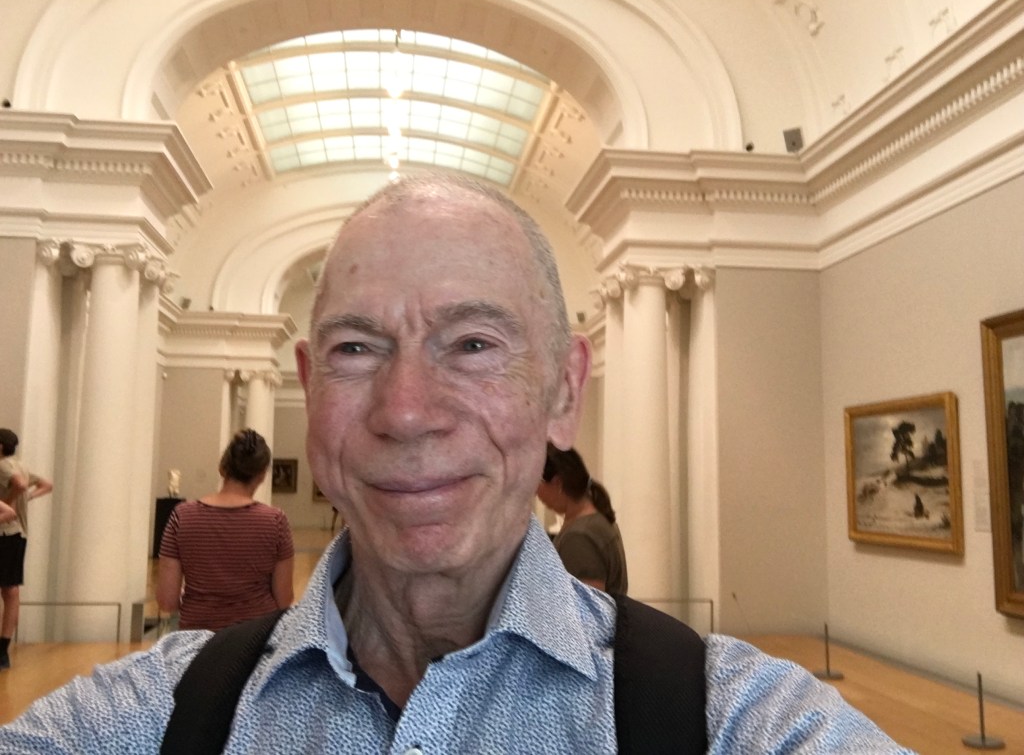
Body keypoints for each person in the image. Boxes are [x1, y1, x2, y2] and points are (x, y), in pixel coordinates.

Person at [0, 174, 913, 753]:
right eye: (358, 349)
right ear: (312, 390)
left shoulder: (734, 720)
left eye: (473, 342)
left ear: (564, 387)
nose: (405, 410)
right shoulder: (153, 716)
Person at [156, 428, 295, 631]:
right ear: (262, 475)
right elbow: (284, 599)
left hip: (198, 641)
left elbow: (167, 601)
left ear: (222, 467)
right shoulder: (275, 521)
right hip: (254, 642)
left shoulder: (182, 516)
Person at [538, 443, 628, 594]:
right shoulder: (593, 521)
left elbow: (587, 612)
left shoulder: (580, 538)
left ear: (557, 483)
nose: (536, 493)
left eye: (537, 482)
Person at [0, 428, 53, 671]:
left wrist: (9, 503)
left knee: (8, 591)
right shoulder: (19, 464)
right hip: (19, 532)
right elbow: (46, 484)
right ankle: (3, 649)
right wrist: (27, 499)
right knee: (11, 592)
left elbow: (20, 485)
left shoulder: (3, 467)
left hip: (5, 532)